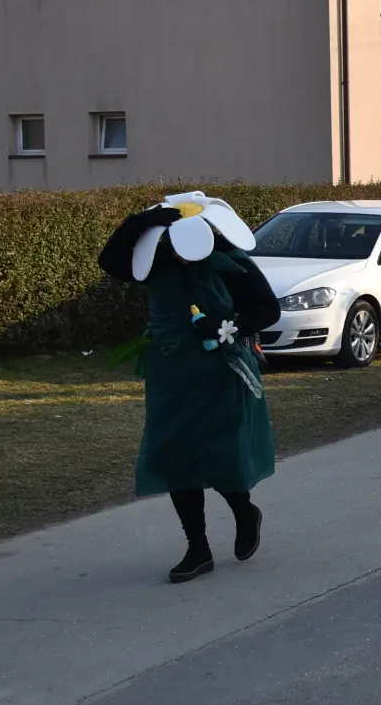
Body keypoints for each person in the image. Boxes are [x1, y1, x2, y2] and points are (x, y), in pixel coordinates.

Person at [97, 192, 278, 583]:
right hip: (172, 372)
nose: (184, 256)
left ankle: (244, 512)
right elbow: (110, 262)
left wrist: (229, 328)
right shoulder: (154, 262)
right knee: (177, 457)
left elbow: (267, 309)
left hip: (221, 371)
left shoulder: (231, 262)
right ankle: (197, 548)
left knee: (221, 453)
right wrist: (138, 223)